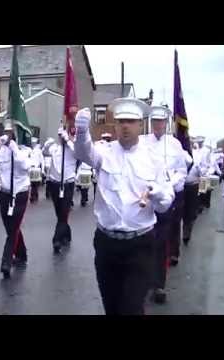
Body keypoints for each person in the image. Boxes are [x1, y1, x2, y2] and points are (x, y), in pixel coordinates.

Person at [74, 99, 174, 315]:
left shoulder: (154, 159)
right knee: (112, 307)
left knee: (130, 307)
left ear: (140, 125)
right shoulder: (104, 151)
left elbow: (166, 203)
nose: (125, 126)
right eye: (121, 122)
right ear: (115, 126)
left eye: (130, 121)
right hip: (107, 243)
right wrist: (82, 132)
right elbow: (83, 153)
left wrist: (156, 193)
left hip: (139, 245)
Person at [141, 105, 188, 304]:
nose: (157, 125)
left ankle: (158, 284)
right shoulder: (142, 142)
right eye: (154, 122)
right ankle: (143, 280)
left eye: (161, 122)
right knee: (144, 243)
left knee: (161, 243)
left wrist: (172, 183)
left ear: (166, 123)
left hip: (165, 198)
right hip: (145, 199)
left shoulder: (175, 144)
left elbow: (182, 171)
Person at [0, 120, 30, 278]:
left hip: (19, 194)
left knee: (13, 229)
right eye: (6, 132)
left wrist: (14, 149)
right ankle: (22, 254)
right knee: (10, 227)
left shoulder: (24, 150)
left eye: (11, 133)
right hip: (4, 193)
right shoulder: (1, 150)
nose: (8, 136)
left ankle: (6, 262)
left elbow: (25, 166)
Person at [43, 126, 77, 253]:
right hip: (55, 184)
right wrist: (48, 144)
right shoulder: (55, 149)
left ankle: (56, 240)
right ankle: (66, 234)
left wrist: (68, 140)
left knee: (63, 213)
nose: (61, 138)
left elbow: (78, 152)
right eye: (60, 136)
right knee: (59, 213)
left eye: (62, 136)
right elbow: (45, 151)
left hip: (68, 184)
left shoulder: (73, 149)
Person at [29, 137, 45, 203]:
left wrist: (43, 170)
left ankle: (33, 196)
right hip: (30, 169)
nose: (33, 144)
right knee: (32, 184)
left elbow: (42, 161)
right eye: (32, 143)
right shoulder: (29, 150)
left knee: (35, 184)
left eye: (34, 143)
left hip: (36, 168)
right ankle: (34, 195)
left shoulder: (38, 151)